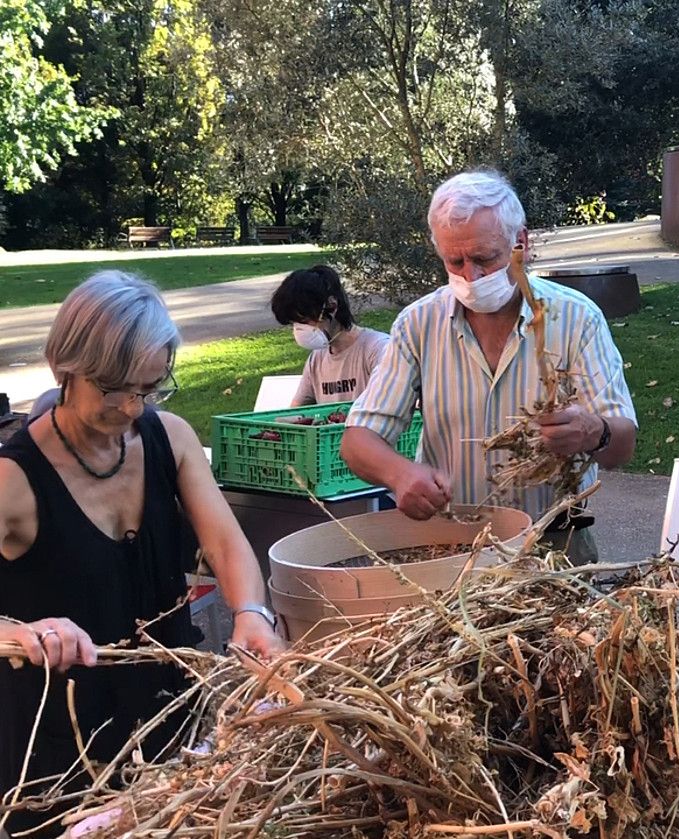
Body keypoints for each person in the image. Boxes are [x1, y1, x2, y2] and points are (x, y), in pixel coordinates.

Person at [0, 272, 285, 837]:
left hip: (169, 717)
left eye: (151, 388)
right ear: (67, 367)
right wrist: (20, 633)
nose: (132, 407)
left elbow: (225, 543)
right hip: (63, 749)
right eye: (114, 389)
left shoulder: (170, 438)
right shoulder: (14, 480)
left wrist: (251, 612)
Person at [341, 171, 637, 561]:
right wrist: (399, 475)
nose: (471, 275)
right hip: (450, 546)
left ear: (521, 243)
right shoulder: (418, 324)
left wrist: (593, 432)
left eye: (484, 258)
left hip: (553, 546)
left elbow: (622, 445)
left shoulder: (576, 319)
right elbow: (357, 440)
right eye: (455, 260)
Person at [270, 264, 390, 407]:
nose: (299, 329)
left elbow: (388, 408)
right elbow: (295, 412)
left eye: (304, 320)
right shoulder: (317, 358)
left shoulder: (378, 349)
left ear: (331, 306)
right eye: (294, 323)